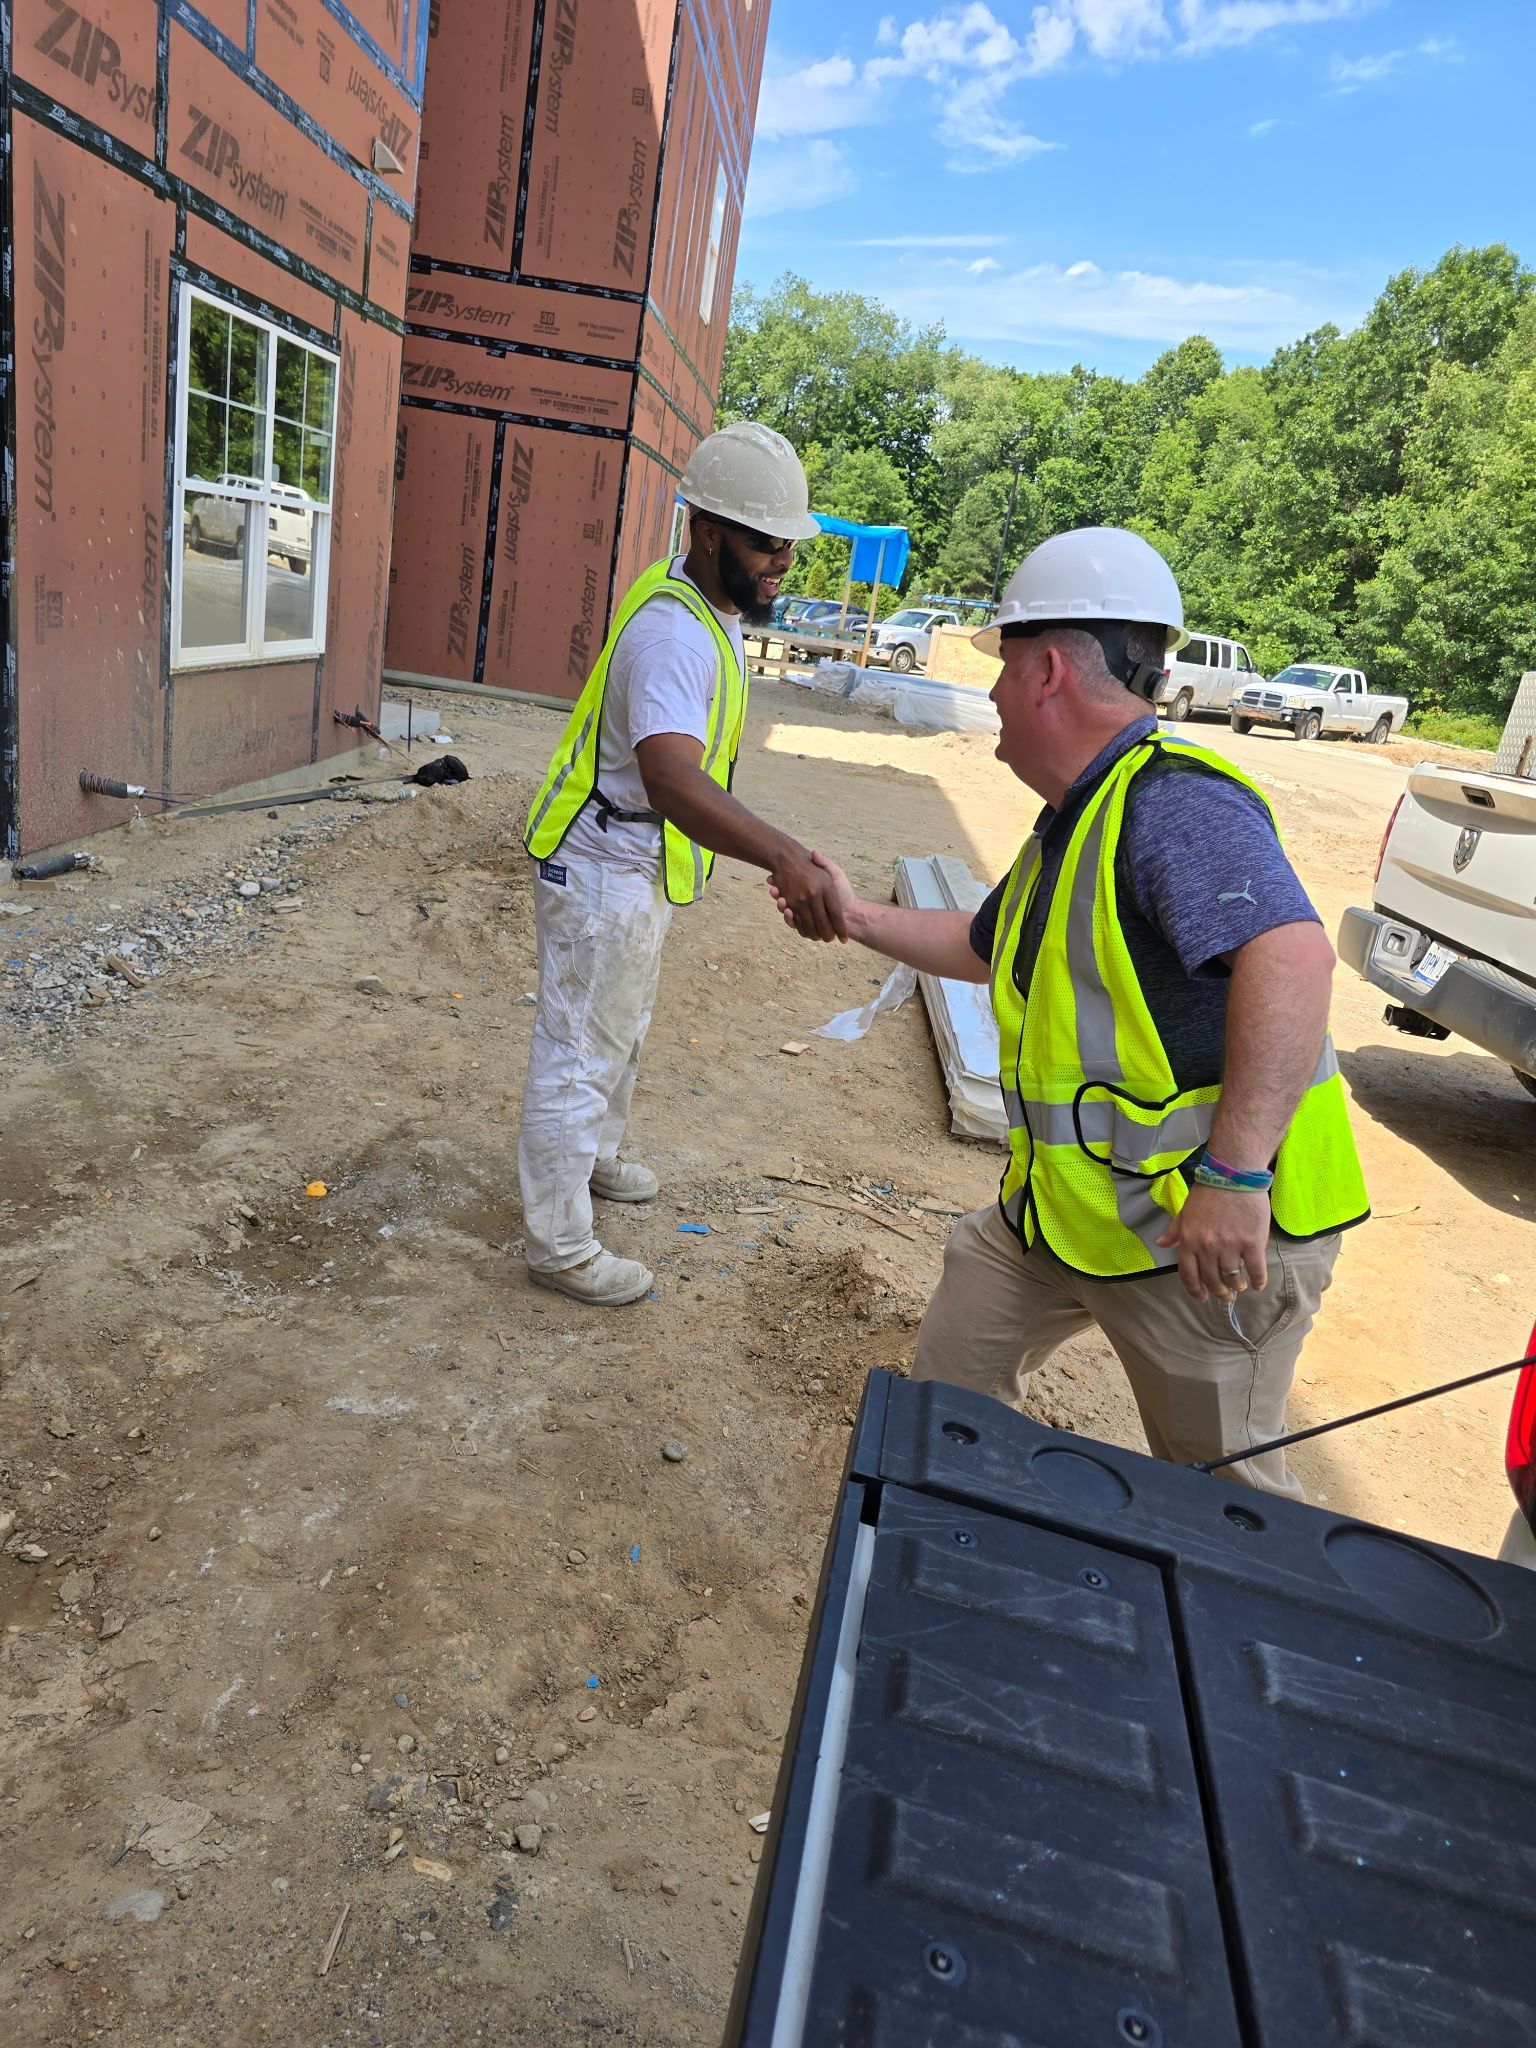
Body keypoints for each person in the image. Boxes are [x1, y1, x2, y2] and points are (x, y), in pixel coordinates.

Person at [770, 527, 1369, 1493]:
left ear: (1048, 670)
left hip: (1201, 1243)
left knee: (1227, 1507)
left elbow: (1293, 956)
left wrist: (1235, 1175)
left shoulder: (1172, 805)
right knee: (950, 1383)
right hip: (1070, 1220)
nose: (996, 694)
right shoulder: (1076, 818)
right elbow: (982, 944)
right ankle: (938, 1530)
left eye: (1002, 668)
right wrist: (857, 914)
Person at [519, 421, 845, 1307]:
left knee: (617, 1026)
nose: (782, 559)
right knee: (582, 1047)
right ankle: (557, 1244)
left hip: (630, 858)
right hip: (606, 858)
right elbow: (669, 778)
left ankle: (594, 1160)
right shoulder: (675, 637)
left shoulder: (709, 606)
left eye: (788, 543)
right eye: (763, 541)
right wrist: (782, 854)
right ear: (707, 532)